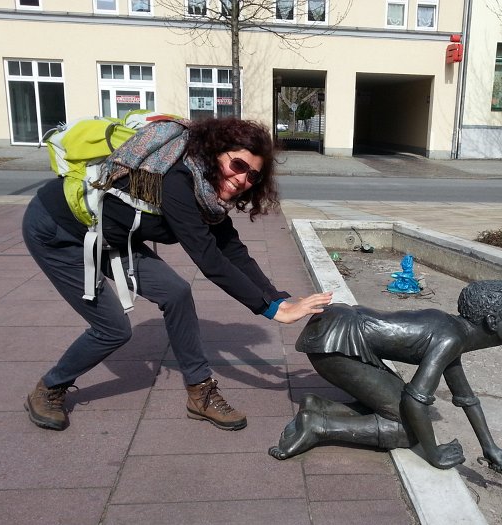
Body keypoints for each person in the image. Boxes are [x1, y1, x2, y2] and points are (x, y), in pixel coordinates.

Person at [22, 117, 332, 432]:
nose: (242, 179)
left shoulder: (205, 193)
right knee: (113, 329)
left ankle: (200, 393)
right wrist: (271, 311)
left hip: (111, 237)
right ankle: (50, 387)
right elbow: (209, 259)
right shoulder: (178, 178)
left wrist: (278, 299)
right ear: (216, 153)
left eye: (253, 175)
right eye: (238, 165)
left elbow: (233, 251)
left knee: (176, 293)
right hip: (57, 230)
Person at [269, 276, 502, 474]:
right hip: (336, 342)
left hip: (339, 329)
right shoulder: (451, 339)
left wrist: (489, 446)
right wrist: (434, 453)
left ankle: (319, 406)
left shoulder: (454, 332)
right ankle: (318, 426)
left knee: (393, 406)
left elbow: (465, 397)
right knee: (407, 430)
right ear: (492, 322)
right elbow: (414, 400)